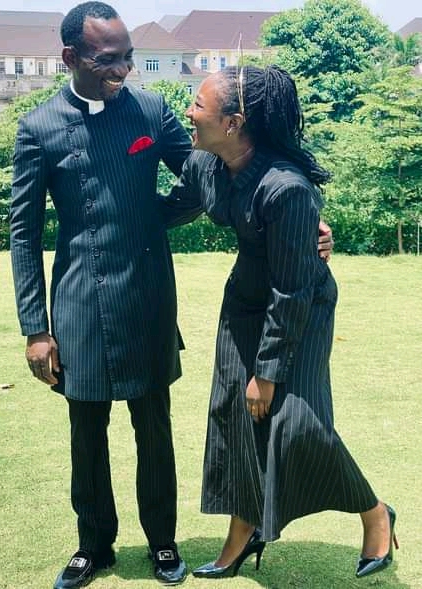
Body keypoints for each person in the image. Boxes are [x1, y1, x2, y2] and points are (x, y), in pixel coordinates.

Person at [162, 65, 397, 580]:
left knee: (297, 424)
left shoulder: (286, 187)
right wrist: (105, 216)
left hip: (299, 308)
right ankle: (243, 531)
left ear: (233, 122)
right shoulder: (206, 165)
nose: (189, 113)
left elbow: (292, 290)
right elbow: (171, 209)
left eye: (198, 105)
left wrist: (266, 373)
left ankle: (375, 513)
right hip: (243, 301)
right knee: (236, 416)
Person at [9, 2, 194, 587]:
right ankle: (93, 546)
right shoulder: (38, 127)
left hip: (147, 296)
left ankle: (162, 541)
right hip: (78, 303)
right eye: (108, 60)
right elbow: (23, 234)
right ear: (71, 57)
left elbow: (203, 176)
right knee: (86, 433)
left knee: (154, 427)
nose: (123, 70)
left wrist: (153, 218)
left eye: (128, 57)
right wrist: (36, 328)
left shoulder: (151, 110)